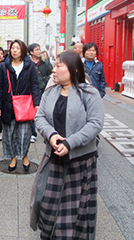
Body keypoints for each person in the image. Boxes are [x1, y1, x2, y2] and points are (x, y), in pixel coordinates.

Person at [31, 50, 104, 239]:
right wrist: (52, 135)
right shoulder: (50, 91)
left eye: (58, 66)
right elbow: (39, 117)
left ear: (73, 69)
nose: (53, 70)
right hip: (53, 158)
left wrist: (70, 143)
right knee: (47, 202)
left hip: (81, 162)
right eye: (54, 66)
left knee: (77, 209)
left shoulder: (90, 93)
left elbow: (95, 123)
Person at [0, 39, 41, 172]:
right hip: (8, 105)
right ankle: (13, 158)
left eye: (17, 48)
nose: (14, 50)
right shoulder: (4, 66)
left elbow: (35, 85)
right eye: (13, 48)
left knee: (24, 134)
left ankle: (25, 156)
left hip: (24, 105)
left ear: (23, 50)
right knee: (9, 134)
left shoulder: (29, 66)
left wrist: (36, 104)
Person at [28, 43, 53, 143]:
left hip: (44, 90)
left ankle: (47, 132)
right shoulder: (28, 63)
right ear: (31, 52)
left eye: (39, 49)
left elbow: (51, 74)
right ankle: (33, 133)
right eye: (36, 50)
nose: (39, 51)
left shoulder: (45, 62)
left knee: (45, 112)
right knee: (32, 113)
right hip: (32, 91)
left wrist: (45, 82)